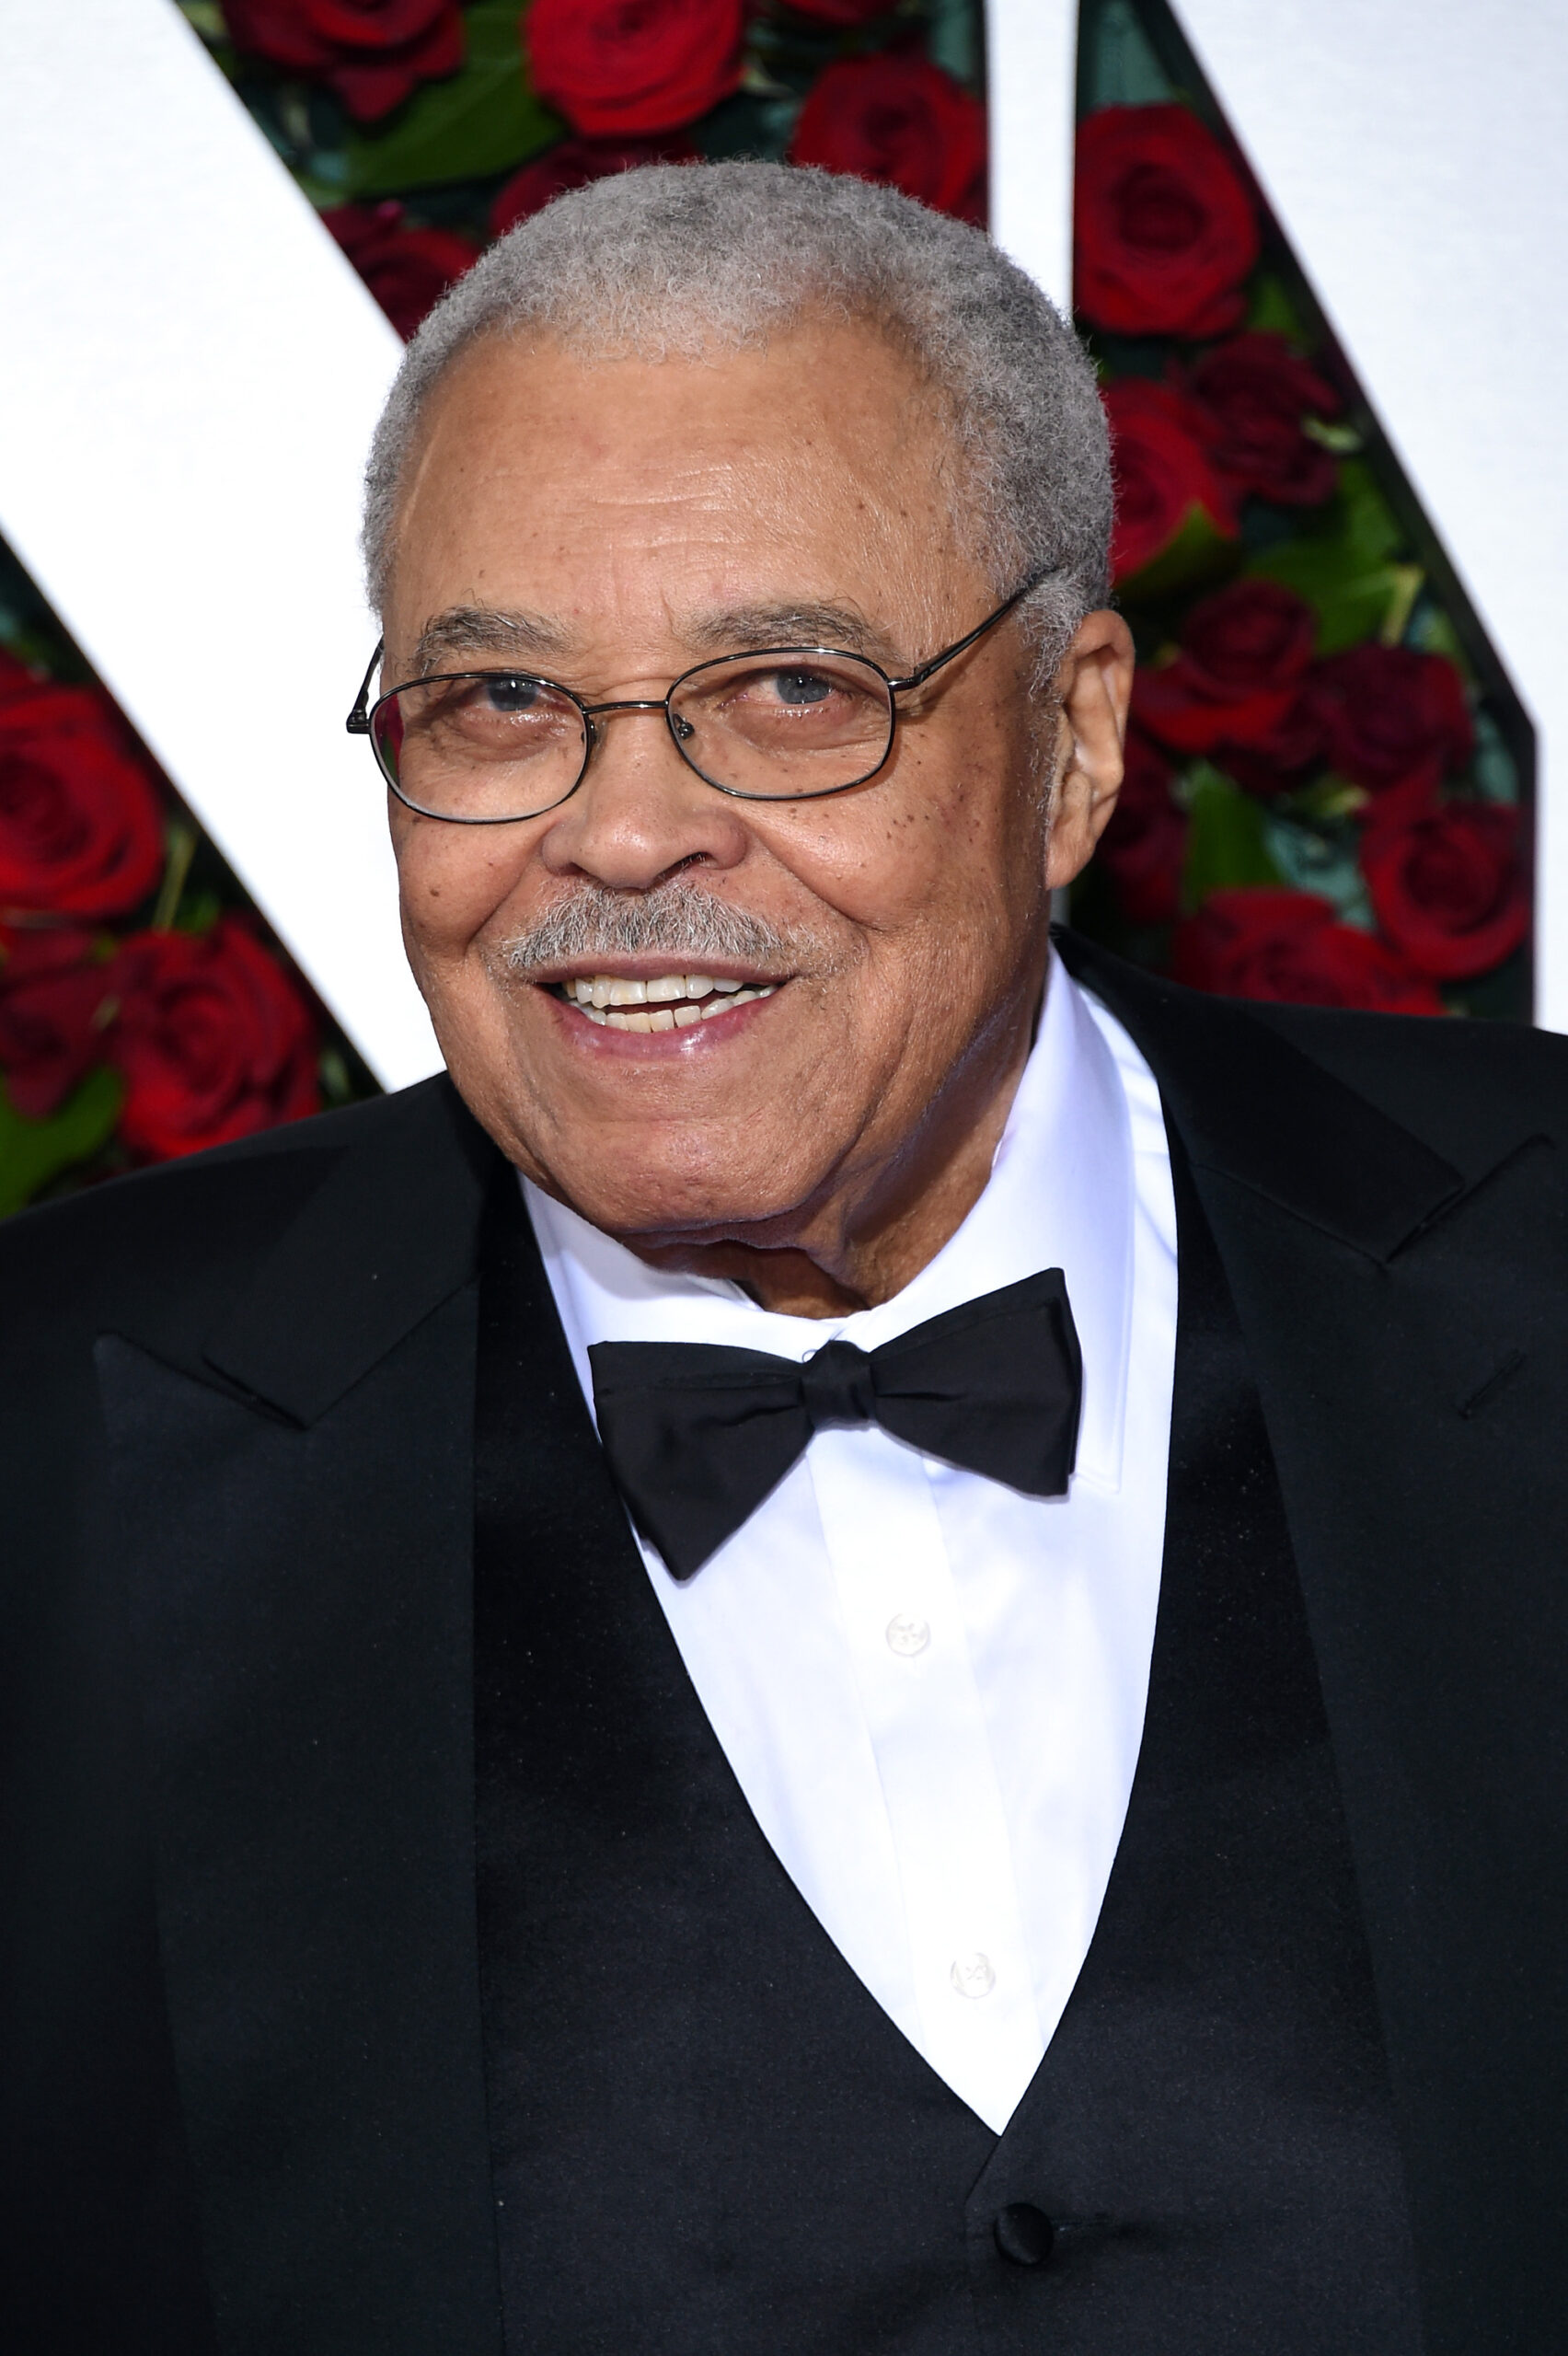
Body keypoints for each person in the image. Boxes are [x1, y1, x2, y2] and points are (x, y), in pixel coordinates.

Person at [3, 162, 1564, 2356]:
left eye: (794, 687)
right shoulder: (45, 1453)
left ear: (1077, 739)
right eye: (498, 705)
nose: (623, 831)